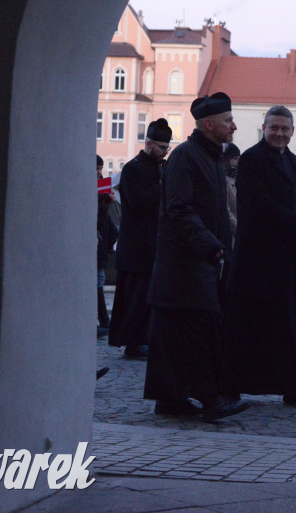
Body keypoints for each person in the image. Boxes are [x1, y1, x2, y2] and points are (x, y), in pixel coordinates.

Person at [223, 105, 296, 405]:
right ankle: (232, 383)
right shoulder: (252, 159)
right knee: (254, 324)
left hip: (291, 255)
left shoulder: (292, 160)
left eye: (284, 129)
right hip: (259, 259)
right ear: (264, 128)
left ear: (292, 131)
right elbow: (260, 204)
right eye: (274, 128)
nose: (279, 133)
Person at [143, 92, 248, 422]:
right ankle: (210, 400)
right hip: (184, 264)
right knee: (197, 331)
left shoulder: (211, 156)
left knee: (177, 333)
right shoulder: (187, 156)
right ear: (209, 124)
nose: (234, 126)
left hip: (199, 260)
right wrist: (211, 244)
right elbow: (179, 209)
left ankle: (170, 398)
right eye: (228, 120)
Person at [109, 118, 171, 359]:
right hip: (136, 246)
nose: (164, 153)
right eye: (161, 148)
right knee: (135, 297)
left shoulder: (160, 167)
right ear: (148, 144)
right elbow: (136, 201)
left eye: (167, 148)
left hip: (153, 244)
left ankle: (144, 338)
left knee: (147, 297)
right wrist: (162, 186)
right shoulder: (133, 168)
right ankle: (133, 341)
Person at [96, 182, 118, 338]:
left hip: (100, 253)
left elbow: (114, 232)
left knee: (98, 285)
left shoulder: (101, 187)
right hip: (98, 254)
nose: (98, 172)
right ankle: (104, 320)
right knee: (97, 285)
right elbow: (113, 232)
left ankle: (104, 320)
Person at [223, 143, 240, 240]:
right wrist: (240, 230)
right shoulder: (223, 181)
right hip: (230, 236)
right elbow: (227, 212)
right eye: (235, 159)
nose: (238, 162)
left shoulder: (237, 179)